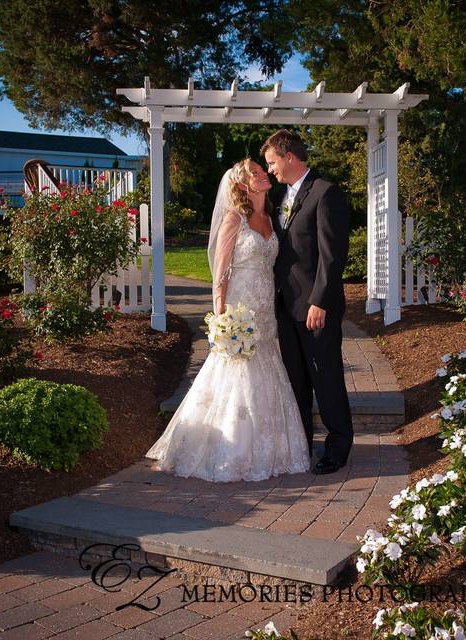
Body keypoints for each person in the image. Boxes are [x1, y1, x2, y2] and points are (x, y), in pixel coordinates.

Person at [145, 159, 310, 482]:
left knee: (266, 367)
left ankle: (272, 452)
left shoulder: (272, 216)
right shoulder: (234, 218)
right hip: (239, 305)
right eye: (255, 173)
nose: (264, 174)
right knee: (233, 371)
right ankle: (227, 452)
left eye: (264, 170)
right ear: (241, 185)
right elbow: (219, 274)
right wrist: (220, 319)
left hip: (265, 306)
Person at [262, 130, 353, 475]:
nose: (270, 170)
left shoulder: (325, 193)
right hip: (286, 307)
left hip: (316, 308)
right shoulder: (282, 198)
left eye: (272, 162)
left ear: (289, 157)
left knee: (325, 377)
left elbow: (333, 257)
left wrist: (320, 302)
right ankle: (302, 443)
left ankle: (338, 448)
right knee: (296, 381)